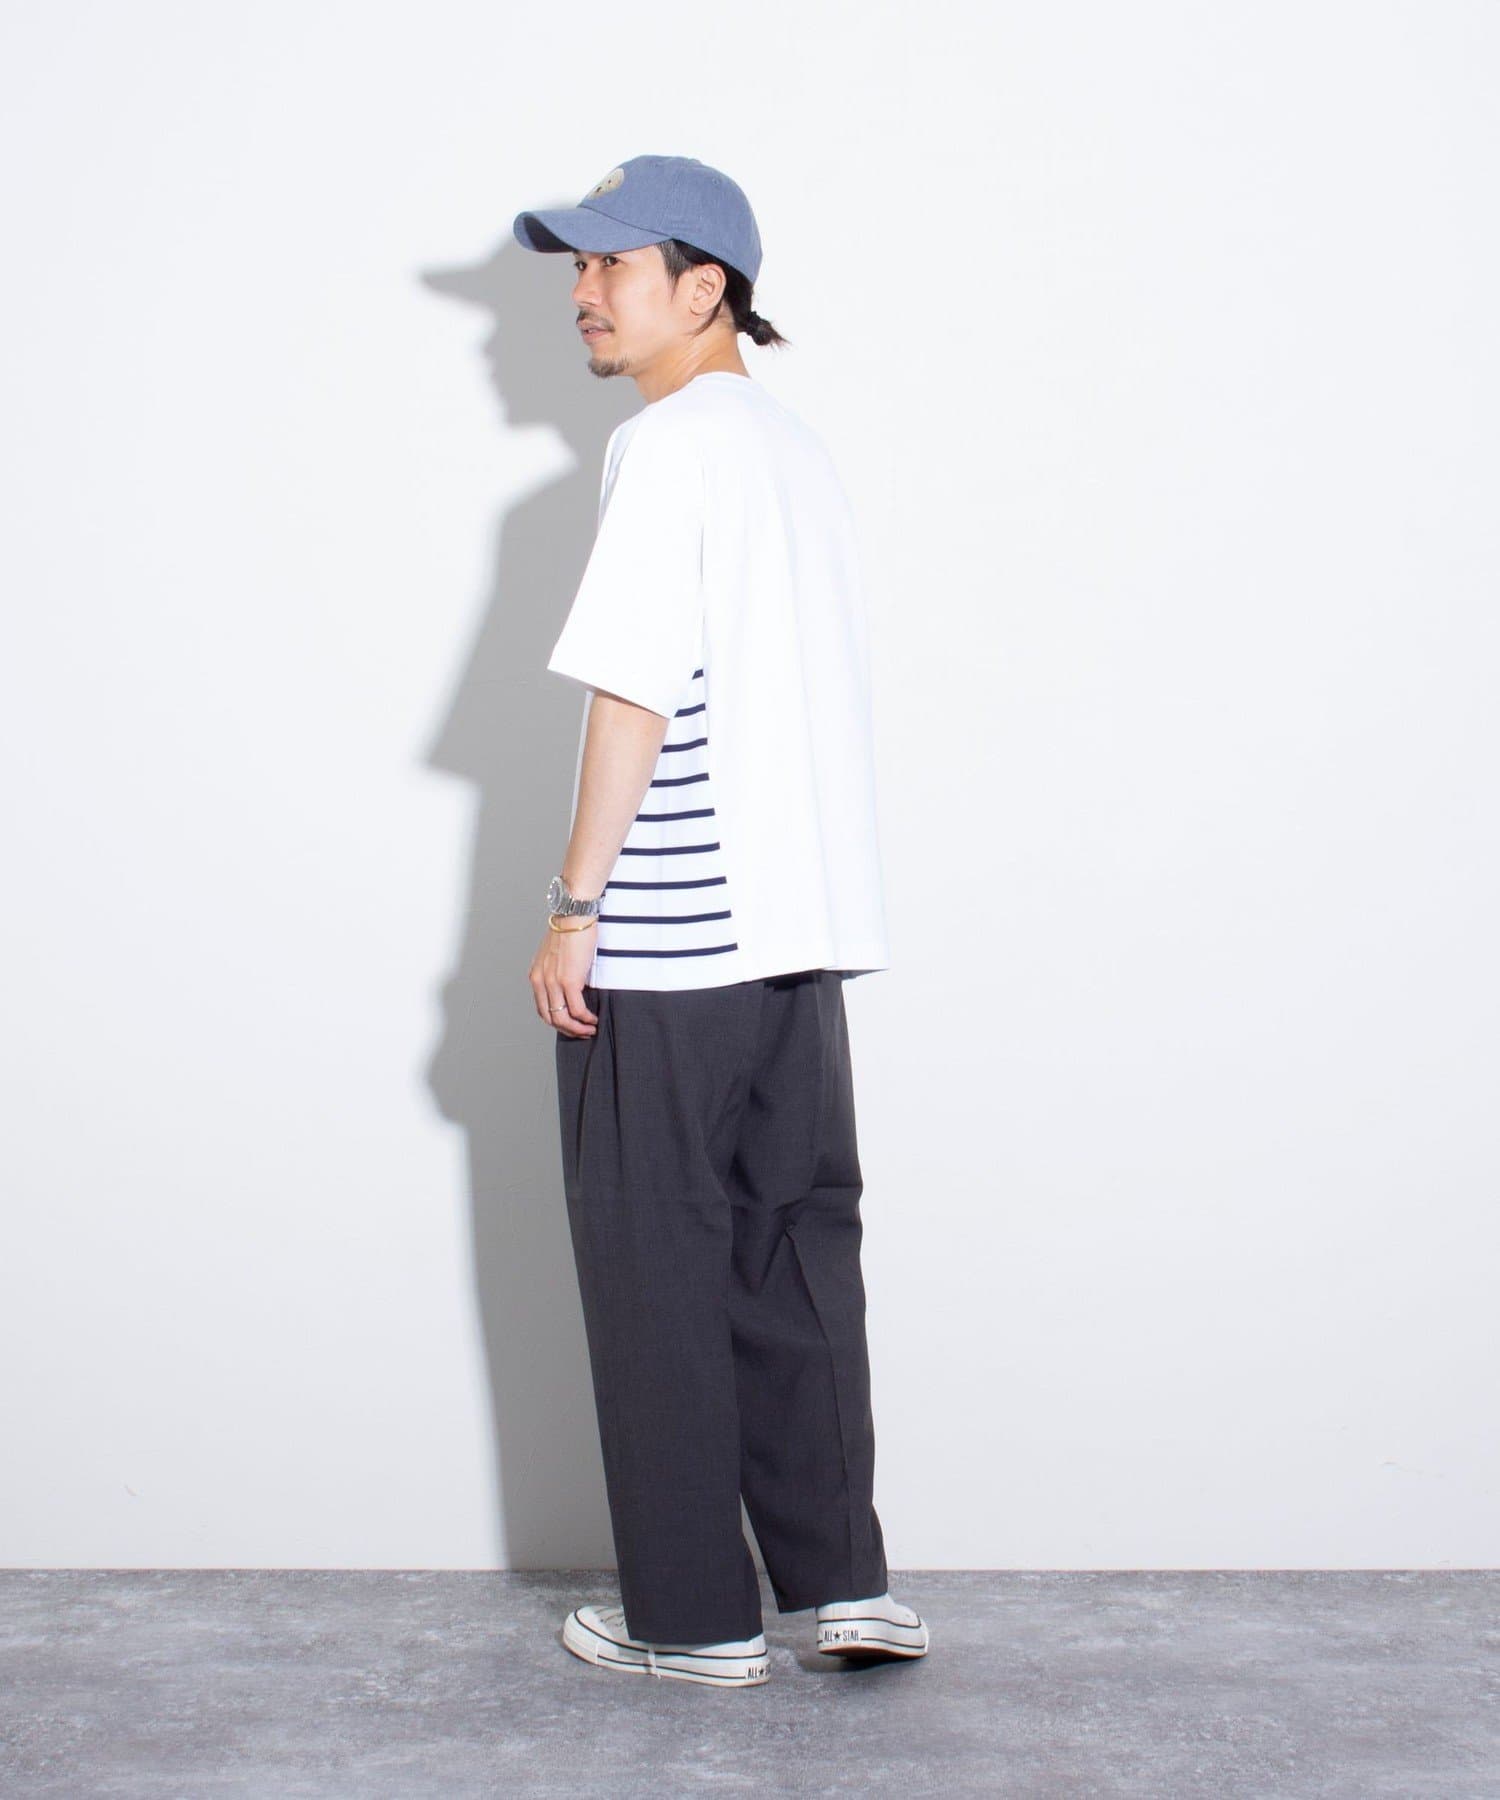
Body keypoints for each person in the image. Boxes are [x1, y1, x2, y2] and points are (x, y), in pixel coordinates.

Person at [514, 154, 929, 1688]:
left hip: (675, 943)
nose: (583, 293)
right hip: (796, 943)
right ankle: (845, 1588)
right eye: (577, 267)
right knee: (797, 1253)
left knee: (657, 1265)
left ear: (707, 291)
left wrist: (576, 909)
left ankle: (693, 1621)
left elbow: (634, 690)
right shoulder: (792, 450)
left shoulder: (669, 445)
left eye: (612, 266)